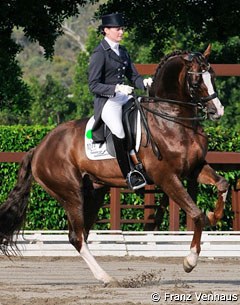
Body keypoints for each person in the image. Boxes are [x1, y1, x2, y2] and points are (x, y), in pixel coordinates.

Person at [88, 12, 152, 190]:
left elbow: (134, 77)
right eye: (118, 29)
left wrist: (144, 82)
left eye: (122, 29)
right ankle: (129, 175)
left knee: (145, 115)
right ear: (106, 30)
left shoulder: (123, 51)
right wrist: (115, 88)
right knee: (118, 129)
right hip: (107, 101)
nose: (121, 32)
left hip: (124, 96)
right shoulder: (100, 53)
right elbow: (93, 85)